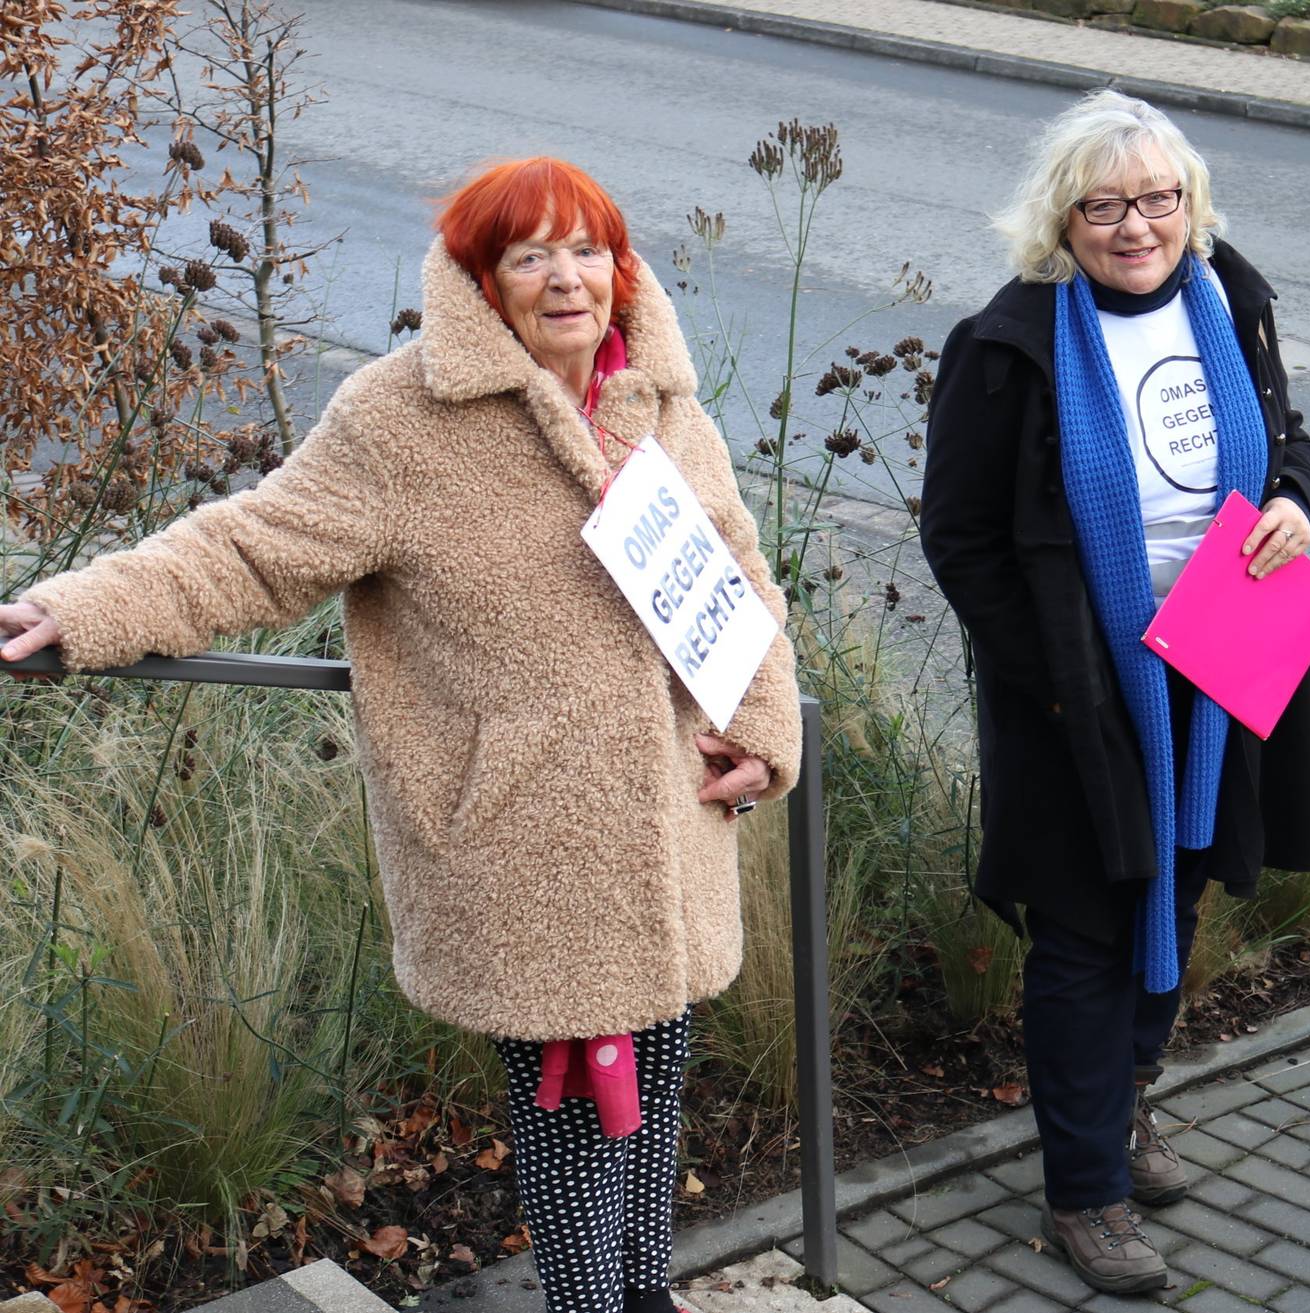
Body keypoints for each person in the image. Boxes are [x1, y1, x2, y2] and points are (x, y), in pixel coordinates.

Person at [0, 158, 801, 1313]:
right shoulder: (402, 417)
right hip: (523, 842)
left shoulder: (661, 403)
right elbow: (252, 545)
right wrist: (85, 608)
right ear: (483, 280)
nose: (565, 278)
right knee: (577, 1119)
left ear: (620, 269)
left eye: (586, 250)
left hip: (676, 827)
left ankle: (647, 1294)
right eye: (529, 256)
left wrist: (766, 729)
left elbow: (741, 579)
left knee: (657, 1087)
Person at [919, 90, 1310, 1295]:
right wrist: (1052, 674)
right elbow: (960, 538)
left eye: (1159, 199)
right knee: (1087, 929)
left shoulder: (1232, 302)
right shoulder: (1009, 346)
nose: (1137, 225)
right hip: (1078, 689)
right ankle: (1084, 1189)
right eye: (1105, 205)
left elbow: (1287, 438)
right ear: (1064, 219)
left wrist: (1297, 501)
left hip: (1221, 656)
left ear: (1190, 206)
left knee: (1184, 881)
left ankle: (1125, 1108)